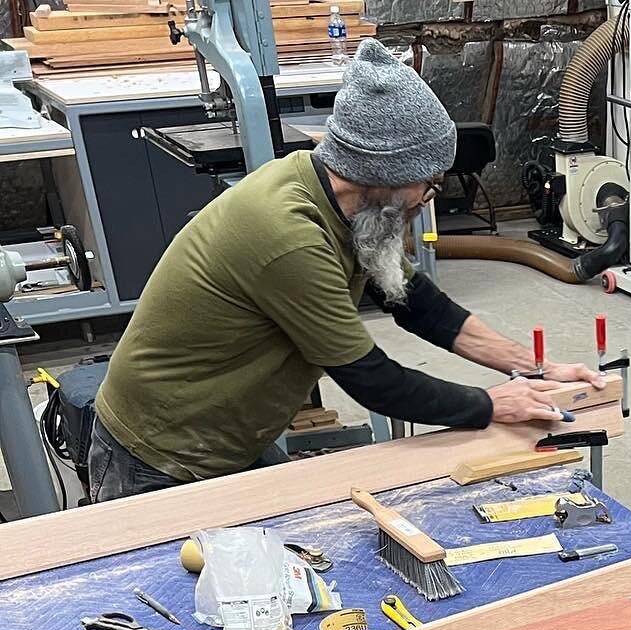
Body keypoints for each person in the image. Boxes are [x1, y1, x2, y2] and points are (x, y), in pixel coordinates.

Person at [88, 40, 601, 502]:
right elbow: (372, 380)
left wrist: (532, 370)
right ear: (385, 175)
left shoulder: (340, 201)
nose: (429, 198)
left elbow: (417, 303)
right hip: (160, 453)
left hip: (226, 435)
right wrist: (491, 405)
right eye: (427, 182)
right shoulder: (287, 235)